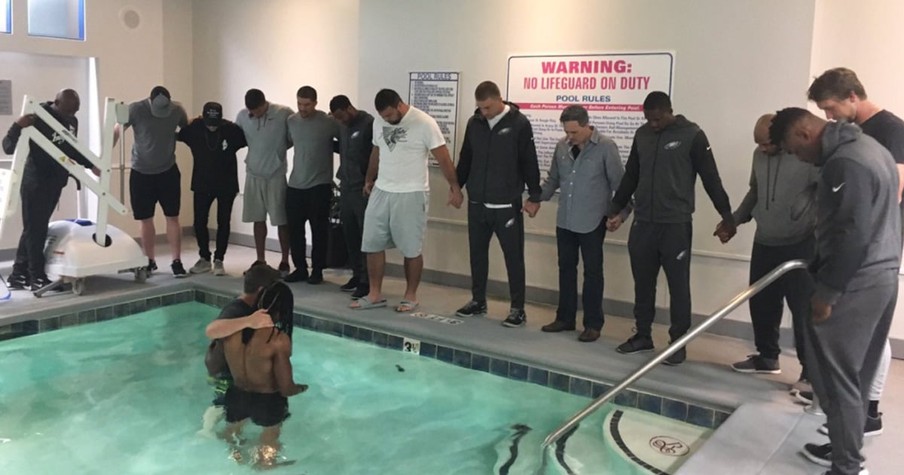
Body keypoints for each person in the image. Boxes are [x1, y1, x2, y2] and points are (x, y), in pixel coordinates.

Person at [770, 107, 900, 475]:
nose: (799, 158)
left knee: (836, 380)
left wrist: (827, 292)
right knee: (854, 379)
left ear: (804, 134)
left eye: (795, 151)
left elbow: (853, 235)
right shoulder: (872, 147)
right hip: (885, 274)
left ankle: (847, 467)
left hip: (856, 283)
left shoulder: (846, 163)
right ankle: (847, 457)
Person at [805, 67, 899, 441]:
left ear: (852, 97)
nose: (829, 117)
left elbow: (890, 195)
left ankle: (868, 412)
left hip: (871, 255)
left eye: (830, 108)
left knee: (866, 346)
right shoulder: (849, 141)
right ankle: (847, 430)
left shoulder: (889, 131)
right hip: (860, 250)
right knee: (847, 354)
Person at [608, 91, 735, 365]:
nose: (652, 124)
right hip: (644, 223)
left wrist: (727, 215)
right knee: (643, 283)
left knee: (678, 286)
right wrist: (615, 207)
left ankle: (678, 343)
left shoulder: (692, 135)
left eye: (657, 119)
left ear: (669, 111)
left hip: (675, 224)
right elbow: (631, 174)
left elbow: (710, 178)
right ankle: (642, 335)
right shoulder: (642, 135)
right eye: (648, 119)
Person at [718, 114, 817, 385]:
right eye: (758, 144)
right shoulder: (758, 156)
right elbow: (754, 192)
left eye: (766, 144)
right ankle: (767, 357)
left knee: (803, 310)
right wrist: (734, 221)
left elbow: (823, 191)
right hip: (765, 241)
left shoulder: (805, 156)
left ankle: (810, 371)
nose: (762, 149)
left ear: (782, 138)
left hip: (800, 243)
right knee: (761, 302)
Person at [350, 89, 463, 312]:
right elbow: (376, 150)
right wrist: (369, 179)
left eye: (390, 115)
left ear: (400, 106)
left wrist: (455, 187)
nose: (387, 120)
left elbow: (443, 157)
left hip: (412, 192)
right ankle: (374, 294)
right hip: (382, 190)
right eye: (383, 117)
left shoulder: (424, 123)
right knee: (372, 243)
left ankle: (410, 296)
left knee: (411, 248)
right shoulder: (379, 123)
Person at [454, 81, 541, 328]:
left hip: (506, 205)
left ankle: (518, 308)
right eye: (480, 108)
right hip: (478, 203)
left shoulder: (519, 123)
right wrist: (456, 187)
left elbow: (529, 162)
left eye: (488, 107)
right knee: (477, 255)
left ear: (499, 100)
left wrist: (534, 197)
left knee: (513, 258)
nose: (484, 112)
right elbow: (466, 158)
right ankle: (478, 300)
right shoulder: (475, 124)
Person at [537, 105, 624, 340]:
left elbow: (620, 185)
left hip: (593, 220)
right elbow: (553, 180)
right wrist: (536, 199)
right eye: (567, 132)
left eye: (574, 132)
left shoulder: (606, 147)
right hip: (565, 219)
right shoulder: (562, 146)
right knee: (566, 269)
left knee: (593, 272)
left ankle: (593, 324)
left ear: (587, 125)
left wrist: (620, 215)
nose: (570, 137)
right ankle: (565, 318)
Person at [2, 89, 98, 291]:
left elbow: (72, 148)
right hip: (35, 183)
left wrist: (91, 165)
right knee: (36, 229)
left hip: (55, 183)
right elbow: (8, 147)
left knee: (34, 229)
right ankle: (37, 276)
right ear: (56, 102)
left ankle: (18, 275)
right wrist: (18, 125)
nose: (70, 117)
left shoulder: (72, 120)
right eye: (67, 112)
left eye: (74, 112)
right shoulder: (37, 116)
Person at [221, 281, 309, 467]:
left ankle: (237, 460)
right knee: (269, 442)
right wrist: (300, 388)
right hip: (267, 401)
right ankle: (264, 466)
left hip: (236, 394)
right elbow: (286, 387)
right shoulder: (277, 339)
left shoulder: (232, 330)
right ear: (283, 310)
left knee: (232, 434)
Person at [200, 263, 281, 437]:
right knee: (222, 403)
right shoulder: (236, 309)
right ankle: (206, 431)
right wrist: (248, 321)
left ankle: (229, 433)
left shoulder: (257, 306)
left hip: (239, 369)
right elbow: (211, 330)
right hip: (225, 371)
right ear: (261, 291)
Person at [120, 86, 189, 277]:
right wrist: (105, 150)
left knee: (172, 216)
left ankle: (176, 261)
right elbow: (119, 128)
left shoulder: (176, 110)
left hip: (168, 171)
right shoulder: (136, 109)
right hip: (141, 172)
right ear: (149, 102)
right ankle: (149, 260)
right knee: (145, 218)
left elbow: (187, 128)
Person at [177, 102, 247, 276]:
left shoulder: (232, 130)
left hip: (227, 184)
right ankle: (204, 257)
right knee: (199, 222)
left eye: (215, 123)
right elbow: (177, 133)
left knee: (224, 222)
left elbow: (247, 139)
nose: (212, 127)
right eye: (208, 122)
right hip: (202, 183)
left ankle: (219, 259)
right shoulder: (194, 129)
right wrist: (191, 119)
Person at [284, 86, 341, 284]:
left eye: (307, 104)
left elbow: (345, 141)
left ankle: (317, 270)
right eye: (299, 103)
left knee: (319, 231)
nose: (302, 108)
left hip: (319, 185)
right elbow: (287, 143)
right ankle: (300, 268)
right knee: (295, 230)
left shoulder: (328, 122)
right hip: (295, 185)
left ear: (315, 103)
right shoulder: (291, 121)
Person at [235, 89, 293, 275]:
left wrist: (277, 154)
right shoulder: (243, 116)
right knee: (257, 218)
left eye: (257, 110)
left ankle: (284, 259)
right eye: (250, 110)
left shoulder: (283, 113)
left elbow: (292, 139)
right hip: (253, 173)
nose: (253, 114)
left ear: (264, 104)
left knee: (281, 220)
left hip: (276, 175)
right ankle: (260, 259)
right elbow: (237, 137)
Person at [330, 94, 375, 299]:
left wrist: (370, 180)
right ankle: (356, 274)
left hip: (362, 189)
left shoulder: (368, 123)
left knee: (365, 235)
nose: (340, 121)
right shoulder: (342, 126)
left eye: (341, 116)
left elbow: (376, 154)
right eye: (336, 118)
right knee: (350, 234)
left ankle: (367, 280)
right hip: (346, 186)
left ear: (349, 108)